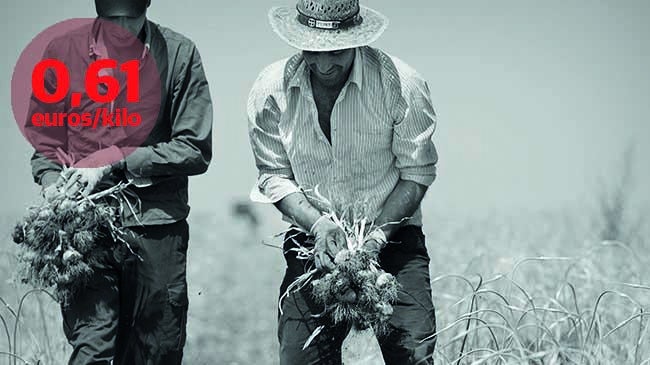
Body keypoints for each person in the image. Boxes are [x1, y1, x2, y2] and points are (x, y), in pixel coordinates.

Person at [247, 0, 438, 363]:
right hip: (312, 245)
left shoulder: (401, 85)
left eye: (334, 52)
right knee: (301, 356)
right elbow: (273, 175)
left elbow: (416, 174)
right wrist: (319, 226)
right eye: (312, 51)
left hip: (394, 243)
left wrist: (375, 239)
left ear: (356, 39)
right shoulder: (271, 90)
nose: (322, 64)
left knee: (412, 355)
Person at [25, 0, 212, 363]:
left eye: (133, 18)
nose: (123, 28)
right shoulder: (61, 54)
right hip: (85, 231)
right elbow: (45, 146)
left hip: (157, 227)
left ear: (147, 7)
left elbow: (194, 149)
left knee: (156, 351)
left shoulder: (179, 54)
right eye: (113, 20)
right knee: (92, 348)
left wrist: (114, 162)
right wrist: (53, 189)